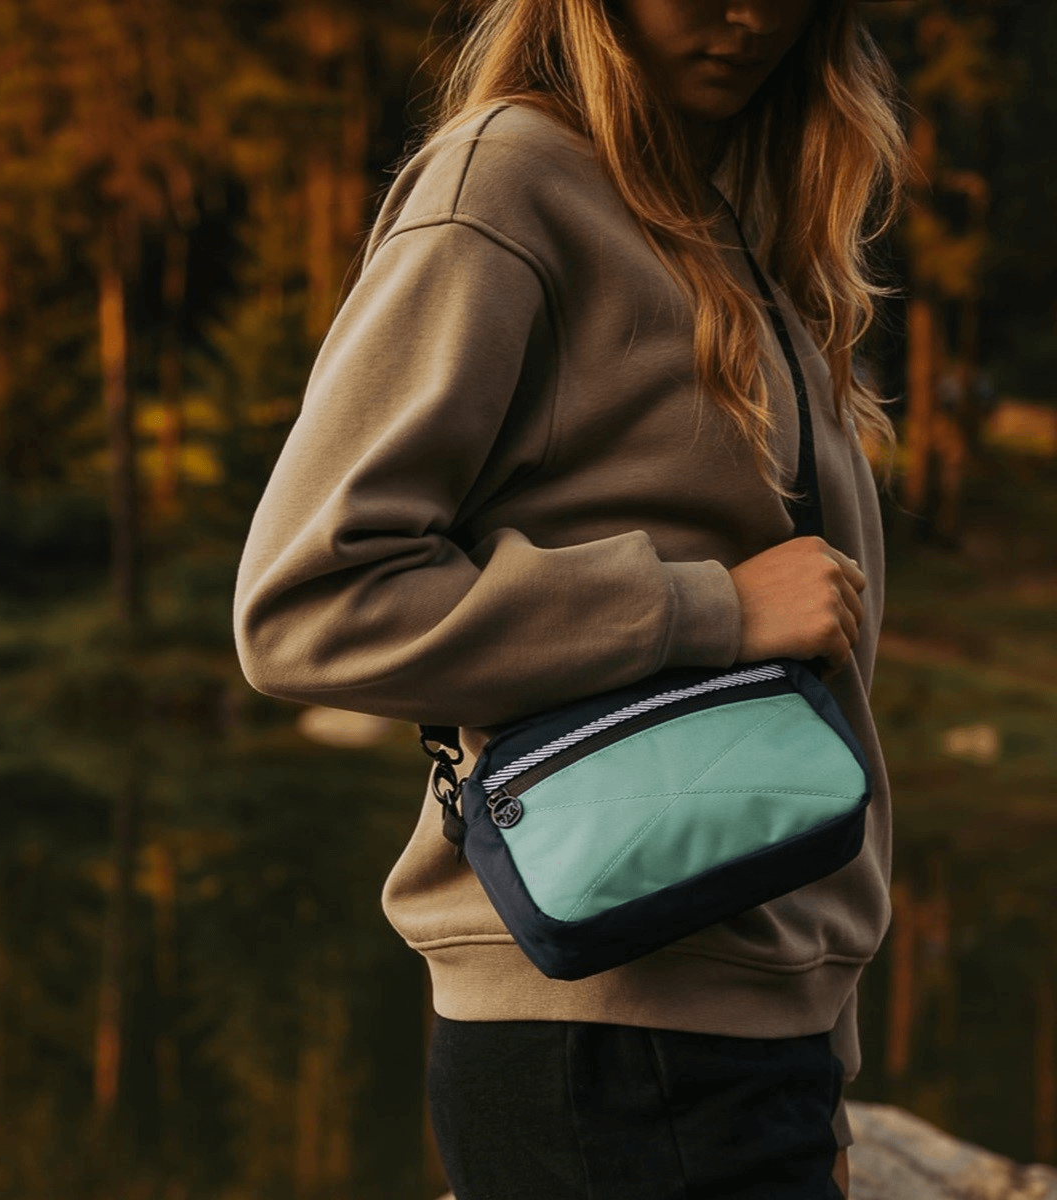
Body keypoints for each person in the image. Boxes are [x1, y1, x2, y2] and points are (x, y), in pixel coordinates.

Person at [234, 0, 908, 1195]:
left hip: (754, 1042)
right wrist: (710, 612)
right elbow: (309, 600)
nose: (749, 14)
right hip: (603, 1046)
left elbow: (819, 698)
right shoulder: (509, 185)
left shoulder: (739, 223)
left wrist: (824, 1051)